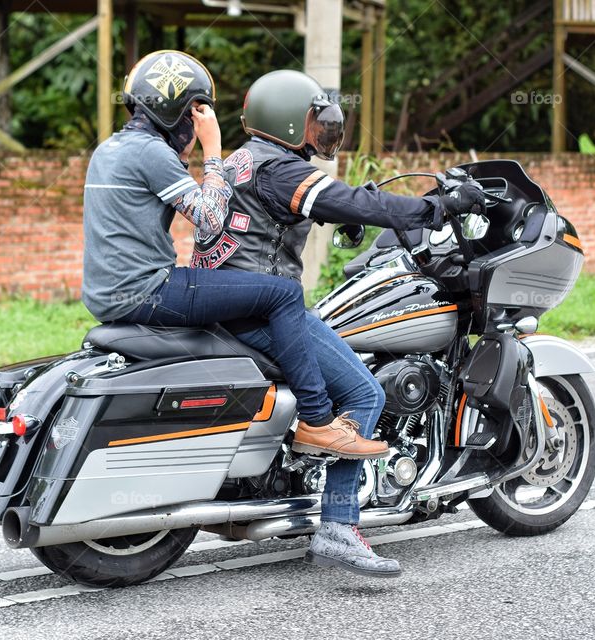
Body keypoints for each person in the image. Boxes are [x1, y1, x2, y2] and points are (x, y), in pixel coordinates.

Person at [191, 69, 485, 578]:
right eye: (313, 120)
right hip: (264, 310)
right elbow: (352, 200)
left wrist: (340, 211)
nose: (321, 131)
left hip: (227, 303)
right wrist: (433, 208)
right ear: (287, 121)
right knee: (366, 394)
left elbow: (304, 206)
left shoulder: (245, 159)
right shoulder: (280, 169)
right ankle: (339, 527)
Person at [82, 51, 390, 459]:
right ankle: (318, 421)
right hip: (149, 291)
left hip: (106, 294)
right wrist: (213, 150)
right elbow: (210, 219)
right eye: (198, 113)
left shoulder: (110, 150)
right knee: (282, 293)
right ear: (183, 113)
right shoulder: (150, 154)